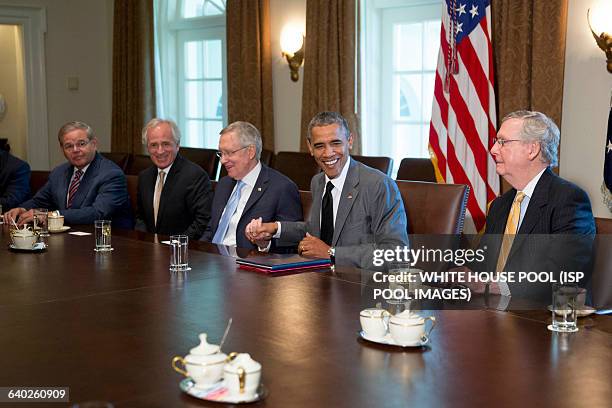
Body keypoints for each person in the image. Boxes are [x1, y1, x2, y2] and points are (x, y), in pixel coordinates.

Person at [246, 111, 409, 269]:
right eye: (319, 146)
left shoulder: (378, 185)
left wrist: (331, 253)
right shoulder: (318, 182)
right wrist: (274, 229)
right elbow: (317, 230)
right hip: (321, 279)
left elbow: (395, 253)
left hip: (360, 286)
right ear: (310, 147)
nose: (328, 153)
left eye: (336, 143)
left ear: (350, 141)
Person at [472, 110, 595, 302]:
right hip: (491, 313)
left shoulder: (568, 199)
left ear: (532, 149)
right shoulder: (499, 205)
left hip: (540, 320)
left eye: (502, 142)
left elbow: (563, 273)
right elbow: (482, 265)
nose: (493, 149)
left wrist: (497, 286)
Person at [4, 121, 133, 228]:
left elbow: (98, 213)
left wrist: (50, 216)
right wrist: (22, 209)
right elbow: (40, 201)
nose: (75, 150)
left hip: (108, 241)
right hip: (70, 238)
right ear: (62, 150)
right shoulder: (59, 173)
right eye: (69, 146)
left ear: (94, 144)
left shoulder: (111, 174)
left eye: (81, 144)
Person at [202, 121, 302, 250]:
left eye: (229, 153)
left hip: (244, 264)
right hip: (211, 259)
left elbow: (291, 242)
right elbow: (211, 230)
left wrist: (265, 244)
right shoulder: (224, 184)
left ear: (250, 151)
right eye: (221, 153)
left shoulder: (282, 188)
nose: (222, 160)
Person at [136, 119, 212, 239]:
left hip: (185, 251)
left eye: (166, 144)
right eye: (154, 145)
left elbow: (202, 222)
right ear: (147, 148)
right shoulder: (144, 177)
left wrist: (176, 246)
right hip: (149, 251)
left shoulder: (195, 176)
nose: (160, 151)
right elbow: (140, 218)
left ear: (177, 145)